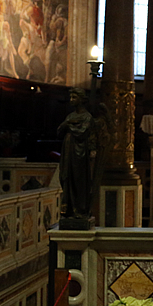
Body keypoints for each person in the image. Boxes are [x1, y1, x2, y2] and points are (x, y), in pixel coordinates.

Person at [57, 88, 96, 218]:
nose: (71, 100)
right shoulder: (70, 116)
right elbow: (59, 130)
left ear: (81, 100)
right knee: (66, 177)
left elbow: (83, 132)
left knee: (78, 179)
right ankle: (68, 208)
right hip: (68, 149)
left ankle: (80, 209)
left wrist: (69, 126)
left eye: (74, 97)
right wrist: (67, 124)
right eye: (71, 97)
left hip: (79, 152)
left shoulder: (87, 117)